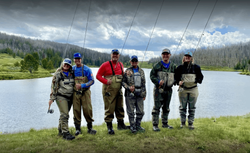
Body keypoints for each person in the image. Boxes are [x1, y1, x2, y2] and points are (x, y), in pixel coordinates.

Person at [96, 49, 128, 135]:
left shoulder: (121, 64)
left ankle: (121, 124)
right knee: (109, 108)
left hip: (119, 90)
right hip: (108, 90)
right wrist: (106, 81)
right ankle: (109, 127)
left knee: (120, 107)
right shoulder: (105, 65)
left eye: (116, 54)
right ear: (111, 55)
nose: (115, 56)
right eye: (113, 54)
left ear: (119, 56)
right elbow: (98, 76)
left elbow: (122, 76)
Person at [175, 51, 204, 130]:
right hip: (183, 89)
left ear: (191, 58)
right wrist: (178, 82)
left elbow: (201, 78)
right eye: (186, 56)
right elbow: (175, 78)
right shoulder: (179, 67)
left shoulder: (197, 67)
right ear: (184, 58)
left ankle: (190, 124)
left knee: (192, 107)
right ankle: (183, 123)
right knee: (182, 107)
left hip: (193, 89)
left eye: (189, 56)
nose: (187, 57)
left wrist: (196, 80)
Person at [150, 48, 176, 131]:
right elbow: (152, 76)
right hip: (159, 89)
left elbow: (177, 77)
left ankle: (165, 123)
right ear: (162, 55)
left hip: (169, 90)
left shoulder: (173, 66)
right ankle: (155, 125)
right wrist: (157, 81)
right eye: (163, 54)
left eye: (167, 54)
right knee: (156, 108)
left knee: (166, 107)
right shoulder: (157, 65)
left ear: (170, 55)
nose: (165, 56)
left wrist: (175, 82)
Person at [48, 58, 75, 140]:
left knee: (64, 114)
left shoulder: (72, 73)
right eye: (65, 64)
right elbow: (54, 86)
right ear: (62, 64)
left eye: (68, 65)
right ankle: (65, 134)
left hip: (70, 97)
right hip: (61, 96)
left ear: (70, 66)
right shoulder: (58, 74)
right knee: (65, 115)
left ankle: (60, 130)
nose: (66, 65)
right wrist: (52, 98)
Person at [72, 52, 96, 136]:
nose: (77, 60)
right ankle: (78, 129)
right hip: (75, 94)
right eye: (76, 59)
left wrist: (82, 85)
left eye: (79, 59)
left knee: (87, 110)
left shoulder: (87, 69)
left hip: (85, 92)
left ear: (81, 59)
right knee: (76, 111)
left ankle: (90, 128)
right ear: (74, 60)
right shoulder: (72, 69)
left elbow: (92, 81)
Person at [122, 55, 146, 133]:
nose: (134, 62)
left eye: (135, 61)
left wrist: (144, 94)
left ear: (137, 62)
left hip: (140, 94)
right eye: (133, 61)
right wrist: (128, 87)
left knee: (141, 111)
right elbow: (123, 82)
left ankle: (138, 125)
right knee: (131, 112)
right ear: (130, 62)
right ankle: (132, 126)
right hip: (130, 95)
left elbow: (144, 83)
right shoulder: (127, 71)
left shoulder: (141, 71)